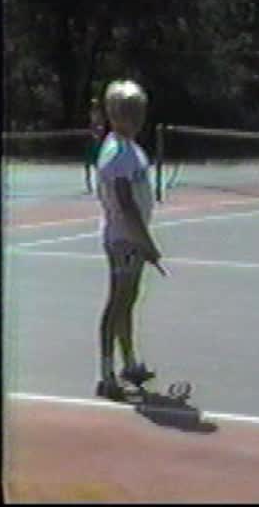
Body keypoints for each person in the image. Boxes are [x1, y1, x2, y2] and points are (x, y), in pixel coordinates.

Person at [94, 80, 164, 400]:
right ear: (114, 114)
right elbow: (125, 203)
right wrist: (145, 242)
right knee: (117, 302)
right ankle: (107, 374)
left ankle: (129, 363)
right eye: (127, 112)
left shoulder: (131, 148)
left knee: (129, 301)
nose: (135, 118)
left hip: (130, 239)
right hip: (124, 239)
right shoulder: (117, 153)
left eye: (137, 111)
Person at [85, 97, 107, 193]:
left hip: (97, 142)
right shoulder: (91, 115)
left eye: (95, 105)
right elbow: (91, 126)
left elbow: (101, 128)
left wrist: (98, 135)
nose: (94, 106)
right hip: (92, 140)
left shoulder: (100, 116)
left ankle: (100, 184)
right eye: (92, 105)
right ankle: (89, 183)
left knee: (98, 165)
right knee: (87, 164)